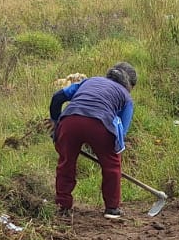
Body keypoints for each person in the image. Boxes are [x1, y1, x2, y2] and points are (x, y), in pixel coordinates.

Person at [50, 62, 138, 220]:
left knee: (66, 163)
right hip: (100, 124)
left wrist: (56, 123)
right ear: (129, 84)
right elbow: (122, 131)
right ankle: (112, 208)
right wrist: (109, 151)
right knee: (112, 166)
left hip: (70, 120)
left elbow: (58, 97)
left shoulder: (89, 81)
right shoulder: (126, 97)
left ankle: (62, 206)